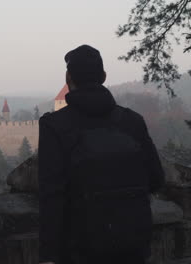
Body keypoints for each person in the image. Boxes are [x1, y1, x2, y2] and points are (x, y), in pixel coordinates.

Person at [38, 45, 165, 264]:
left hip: (80, 249)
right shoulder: (132, 121)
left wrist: (48, 256)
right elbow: (156, 179)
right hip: (132, 245)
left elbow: (52, 196)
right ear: (104, 77)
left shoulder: (55, 126)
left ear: (68, 78)